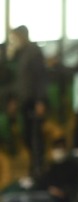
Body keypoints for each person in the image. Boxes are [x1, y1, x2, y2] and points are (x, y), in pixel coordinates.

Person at [9, 25, 47, 176]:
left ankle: (38, 170)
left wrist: (40, 101)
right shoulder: (22, 54)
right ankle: (34, 168)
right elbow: (20, 81)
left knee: (35, 137)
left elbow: (41, 77)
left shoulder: (34, 52)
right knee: (27, 136)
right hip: (24, 101)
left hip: (34, 101)